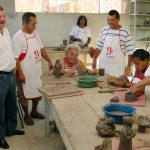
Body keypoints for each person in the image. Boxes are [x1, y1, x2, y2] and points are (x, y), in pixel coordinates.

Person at [12, 12, 53, 125]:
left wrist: (49, 60)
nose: (35, 26)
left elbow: (41, 49)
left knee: (37, 92)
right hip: (24, 71)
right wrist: (20, 74)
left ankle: (34, 111)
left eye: (36, 24)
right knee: (24, 94)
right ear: (25, 23)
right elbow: (16, 58)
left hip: (36, 70)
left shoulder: (35, 33)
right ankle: (27, 115)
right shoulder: (17, 37)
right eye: (32, 24)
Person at [0, 6, 24, 149]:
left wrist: (14, 66)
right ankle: (0, 135)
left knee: (11, 105)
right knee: (0, 109)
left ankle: (11, 129)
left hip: (10, 74)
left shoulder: (6, 31)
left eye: (4, 16)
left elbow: (9, 51)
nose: (2, 19)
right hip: (1, 76)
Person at [92, 9, 134, 77]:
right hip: (104, 64)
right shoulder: (104, 30)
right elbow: (98, 47)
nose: (110, 22)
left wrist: (129, 67)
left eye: (112, 20)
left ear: (118, 19)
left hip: (118, 66)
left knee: (117, 84)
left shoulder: (125, 32)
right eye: (108, 20)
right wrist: (94, 60)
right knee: (103, 82)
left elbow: (130, 52)